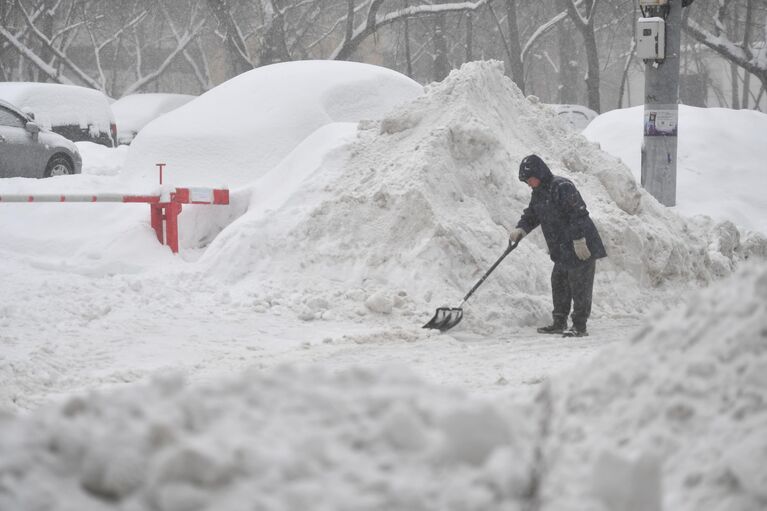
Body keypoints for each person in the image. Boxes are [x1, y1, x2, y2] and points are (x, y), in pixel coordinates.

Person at [508, 154, 606, 337]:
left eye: (530, 179)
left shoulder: (562, 187)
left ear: (539, 173)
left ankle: (579, 325)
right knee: (559, 282)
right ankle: (559, 322)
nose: (529, 183)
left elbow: (578, 214)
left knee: (580, 285)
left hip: (581, 244)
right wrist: (521, 229)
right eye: (526, 181)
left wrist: (579, 240)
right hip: (563, 248)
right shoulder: (539, 193)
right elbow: (532, 215)